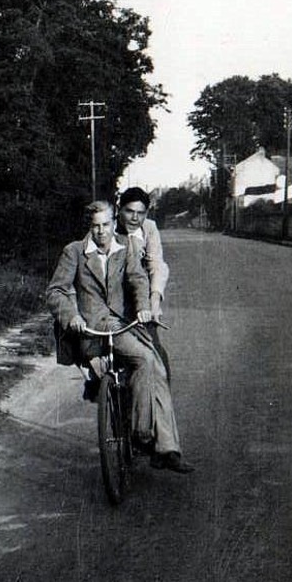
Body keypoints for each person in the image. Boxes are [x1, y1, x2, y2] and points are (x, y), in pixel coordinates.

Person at [46, 200, 194, 473]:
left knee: (153, 364)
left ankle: (159, 443)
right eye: (95, 226)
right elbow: (56, 291)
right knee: (143, 362)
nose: (101, 232)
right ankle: (143, 434)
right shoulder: (75, 252)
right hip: (90, 330)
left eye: (105, 224)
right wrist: (72, 317)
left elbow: (139, 280)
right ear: (89, 227)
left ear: (114, 223)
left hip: (122, 325)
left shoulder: (126, 249)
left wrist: (143, 308)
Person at [115, 186, 168, 322]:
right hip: (112, 297)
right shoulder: (106, 228)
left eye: (140, 213)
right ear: (118, 209)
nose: (135, 218)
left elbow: (156, 264)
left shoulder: (149, 228)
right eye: (129, 211)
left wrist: (154, 303)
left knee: (150, 341)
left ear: (146, 213)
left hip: (140, 297)